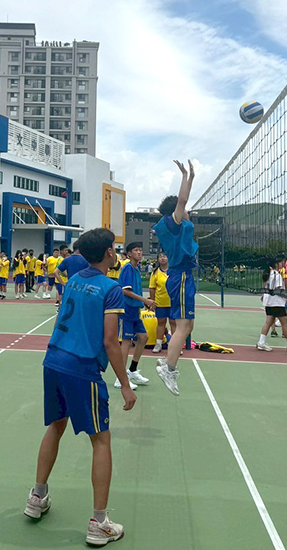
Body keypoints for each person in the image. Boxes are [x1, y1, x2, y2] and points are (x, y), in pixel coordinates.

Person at [24, 227, 135, 546]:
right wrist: (125, 384)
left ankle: (37, 496)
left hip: (53, 360)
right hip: (82, 367)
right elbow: (110, 342)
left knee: (56, 426)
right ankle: (99, 522)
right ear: (109, 252)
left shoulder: (73, 280)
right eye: (114, 248)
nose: (116, 252)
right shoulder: (110, 288)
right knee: (101, 440)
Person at [151, 160, 199, 396]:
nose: (187, 210)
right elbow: (182, 201)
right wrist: (185, 177)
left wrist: (191, 178)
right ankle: (169, 369)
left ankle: (167, 359)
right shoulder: (173, 223)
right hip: (179, 277)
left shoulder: (178, 226)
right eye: (183, 208)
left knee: (188, 325)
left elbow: (183, 202)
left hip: (183, 276)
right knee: (182, 325)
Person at [114, 242, 156, 390]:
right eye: (136, 250)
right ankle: (120, 378)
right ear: (129, 254)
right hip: (126, 310)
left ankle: (132, 370)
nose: (139, 252)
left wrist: (143, 303)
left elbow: (135, 291)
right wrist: (145, 300)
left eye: (140, 250)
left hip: (135, 310)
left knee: (143, 337)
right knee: (126, 342)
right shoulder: (127, 268)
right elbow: (125, 291)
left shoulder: (136, 269)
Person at [257, 258, 287, 353]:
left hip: (269, 303)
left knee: (268, 322)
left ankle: (261, 342)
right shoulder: (276, 275)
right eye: (281, 262)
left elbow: (265, 287)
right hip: (277, 303)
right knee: (284, 323)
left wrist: (264, 296)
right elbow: (279, 291)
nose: (283, 264)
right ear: (276, 264)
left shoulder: (268, 274)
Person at [149, 252, 176, 353]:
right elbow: (152, 288)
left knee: (173, 323)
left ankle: (174, 345)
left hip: (173, 303)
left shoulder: (174, 271)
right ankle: (158, 344)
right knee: (161, 323)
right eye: (160, 257)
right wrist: (152, 302)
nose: (162, 258)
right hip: (160, 302)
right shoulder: (155, 272)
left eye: (164, 256)